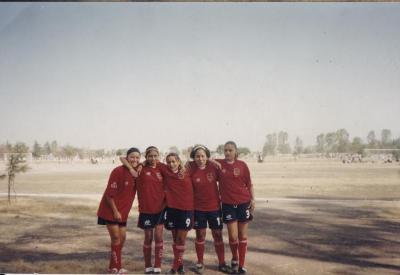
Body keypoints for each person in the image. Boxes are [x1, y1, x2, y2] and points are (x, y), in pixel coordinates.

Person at [121, 146, 166, 274]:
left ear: (158, 156)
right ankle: (148, 265)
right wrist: (136, 166)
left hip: (160, 208)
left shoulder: (162, 167)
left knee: (158, 237)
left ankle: (157, 265)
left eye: (155, 156)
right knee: (148, 237)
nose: (153, 158)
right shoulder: (140, 168)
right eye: (150, 156)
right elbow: (122, 158)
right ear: (146, 157)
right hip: (146, 209)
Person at [97, 147, 141, 274]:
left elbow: (143, 164)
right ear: (127, 158)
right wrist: (115, 211)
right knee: (116, 238)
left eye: (137, 157)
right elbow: (109, 195)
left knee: (122, 239)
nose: (135, 159)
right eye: (132, 157)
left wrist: (136, 167)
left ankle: (114, 266)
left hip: (123, 212)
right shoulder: (118, 171)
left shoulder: (137, 172)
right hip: (110, 210)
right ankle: (116, 268)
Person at [189, 145, 230, 274]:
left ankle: (222, 263)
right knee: (200, 235)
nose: (200, 159)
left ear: (207, 156)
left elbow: (225, 169)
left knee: (217, 235)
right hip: (198, 209)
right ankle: (200, 263)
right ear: (194, 158)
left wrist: (212, 161)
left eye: (203, 156)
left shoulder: (213, 167)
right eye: (197, 156)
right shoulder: (190, 169)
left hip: (214, 208)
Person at [216, 141, 255, 274]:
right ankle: (235, 258)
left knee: (242, 235)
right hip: (227, 205)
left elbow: (249, 183)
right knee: (233, 237)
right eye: (225, 150)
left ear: (235, 152)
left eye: (230, 150)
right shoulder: (218, 164)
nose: (227, 152)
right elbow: (202, 161)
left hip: (243, 202)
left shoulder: (242, 165)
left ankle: (242, 265)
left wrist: (253, 199)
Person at [161, 152, 194, 275]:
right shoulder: (165, 171)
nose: (171, 164)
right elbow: (149, 162)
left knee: (181, 239)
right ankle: (180, 265)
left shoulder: (188, 171)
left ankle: (174, 268)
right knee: (175, 240)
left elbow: (197, 162)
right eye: (168, 162)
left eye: (174, 161)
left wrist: (185, 166)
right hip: (171, 210)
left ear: (179, 161)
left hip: (186, 210)